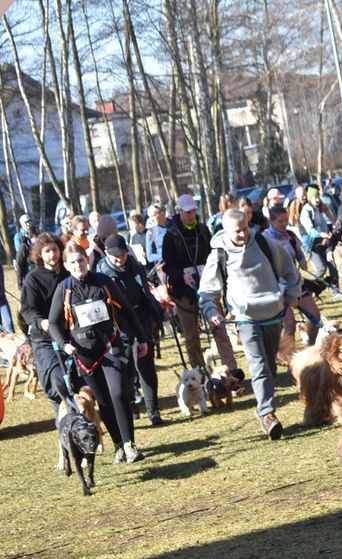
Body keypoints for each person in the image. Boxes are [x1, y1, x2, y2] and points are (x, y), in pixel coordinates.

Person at [199, 208, 301, 440]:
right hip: (245, 318)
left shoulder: (264, 243)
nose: (243, 234)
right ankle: (267, 414)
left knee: (270, 367)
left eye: (245, 228)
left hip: (273, 313)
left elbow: (289, 269)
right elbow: (206, 291)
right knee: (259, 366)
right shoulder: (219, 253)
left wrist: (293, 295)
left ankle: (264, 409)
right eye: (237, 231)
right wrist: (211, 310)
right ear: (226, 231)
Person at [48, 243, 149, 463]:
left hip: (111, 347)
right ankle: (118, 445)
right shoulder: (64, 289)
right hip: (84, 354)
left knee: (118, 394)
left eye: (81, 260)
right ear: (66, 265)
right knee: (103, 402)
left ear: (87, 260)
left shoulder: (103, 281)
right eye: (73, 262)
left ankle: (130, 444)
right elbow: (54, 323)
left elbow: (126, 309)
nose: (78, 265)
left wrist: (141, 338)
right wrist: (64, 345)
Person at [95, 234, 165, 426]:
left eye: (123, 254)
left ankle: (153, 411)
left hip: (140, 317)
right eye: (116, 256)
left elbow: (145, 293)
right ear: (107, 253)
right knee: (125, 369)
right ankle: (131, 407)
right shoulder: (101, 273)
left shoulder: (135, 265)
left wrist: (156, 313)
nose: (120, 259)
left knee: (146, 366)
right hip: (119, 323)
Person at [162, 193, 237, 370]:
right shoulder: (170, 235)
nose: (191, 215)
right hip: (183, 291)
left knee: (219, 328)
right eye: (187, 212)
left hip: (208, 285)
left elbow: (213, 255)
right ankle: (199, 373)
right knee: (192, 335)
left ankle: (232, 370)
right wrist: (182, 275)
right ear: (179, 211)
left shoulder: (203, 230)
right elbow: (167, 266)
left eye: (193, 211)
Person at [262, 204, 322, 364]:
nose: (284, 224)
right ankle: (289, 359)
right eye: (280, 221)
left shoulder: (290, 235)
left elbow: (299, 253)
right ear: (271, 221)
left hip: (295, 282)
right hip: (277, 286)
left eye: (286, 220)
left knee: (315, 316)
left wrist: (302, 261)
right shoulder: (264, 238)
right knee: (289, 324)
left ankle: (309, 349)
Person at [18, 234, 70, 409]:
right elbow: (27, 309)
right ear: (40, 254)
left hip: (70, 335)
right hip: (45, 339)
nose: (52, 254)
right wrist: (41, 322)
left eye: (55, 249)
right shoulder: (33, 279)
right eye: (47, 251)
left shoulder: (68, 274)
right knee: (57, 382)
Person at [298, 185, 335, 286]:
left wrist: (334, 224)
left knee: (332, 264)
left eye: (318, 197)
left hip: (323, 241)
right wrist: (323, 234)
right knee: (321, 268)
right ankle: (308, 287)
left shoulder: (320, 207)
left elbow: (326, 220)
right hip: (311, 244)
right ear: (310, 198)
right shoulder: (306, 211)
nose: (317, 199)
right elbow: (310, 231)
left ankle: (335, 288)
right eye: (314, 197)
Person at [14, 213, 37, 287]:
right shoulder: (18, 236)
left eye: (29, 221)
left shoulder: (35, 233)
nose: (28, 224)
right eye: (26, 222)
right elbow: (20, 254)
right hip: (26, 265)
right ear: (21, 224)